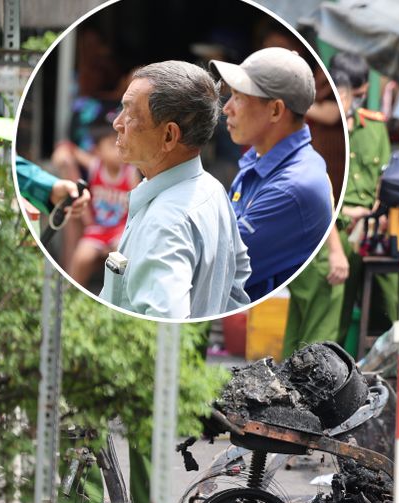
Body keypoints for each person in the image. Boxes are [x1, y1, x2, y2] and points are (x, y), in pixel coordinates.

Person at [99, 60, 251, 319]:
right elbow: (237, 284)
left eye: (130, 114)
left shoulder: (165, 223)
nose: (118, 123)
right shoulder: (213, 190)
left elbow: (166, 327)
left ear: (169, 136)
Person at [209, 47, 333, 302]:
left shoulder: (293, 186)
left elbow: (213, 269)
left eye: (239, 97)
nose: (226, 109)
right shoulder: (260, 161)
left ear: (276, 110)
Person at [280, 68, 353, 356]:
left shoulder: (275, 142)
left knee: (299, 332)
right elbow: (322, 195)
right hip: (319, 243)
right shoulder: (306, 141)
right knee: (318, 340)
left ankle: (285, 394)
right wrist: (335, 248)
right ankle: (306, 398)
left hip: (299, 241)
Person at [330, 52, 397, 347]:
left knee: (391, 309)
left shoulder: (375, 127)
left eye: (358, 93)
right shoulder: (322, 129)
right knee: (334, 320)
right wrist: (346, 212)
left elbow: (384, 178)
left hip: (372, 231)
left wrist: (377, 211)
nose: (356, 99)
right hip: (337, 231)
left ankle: (386, 377)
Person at [58, 125, 141, 290]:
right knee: (82, 257)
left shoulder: (130, 173)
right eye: (112, 145)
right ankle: (71, 294)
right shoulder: (94, 166)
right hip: (96, 231)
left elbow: (138, 206)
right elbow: (70, 150)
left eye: (120, 144)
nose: (118, 149)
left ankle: (120, 296)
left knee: (122, 256)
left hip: (120, 231)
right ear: (98, 151)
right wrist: (62, 152)